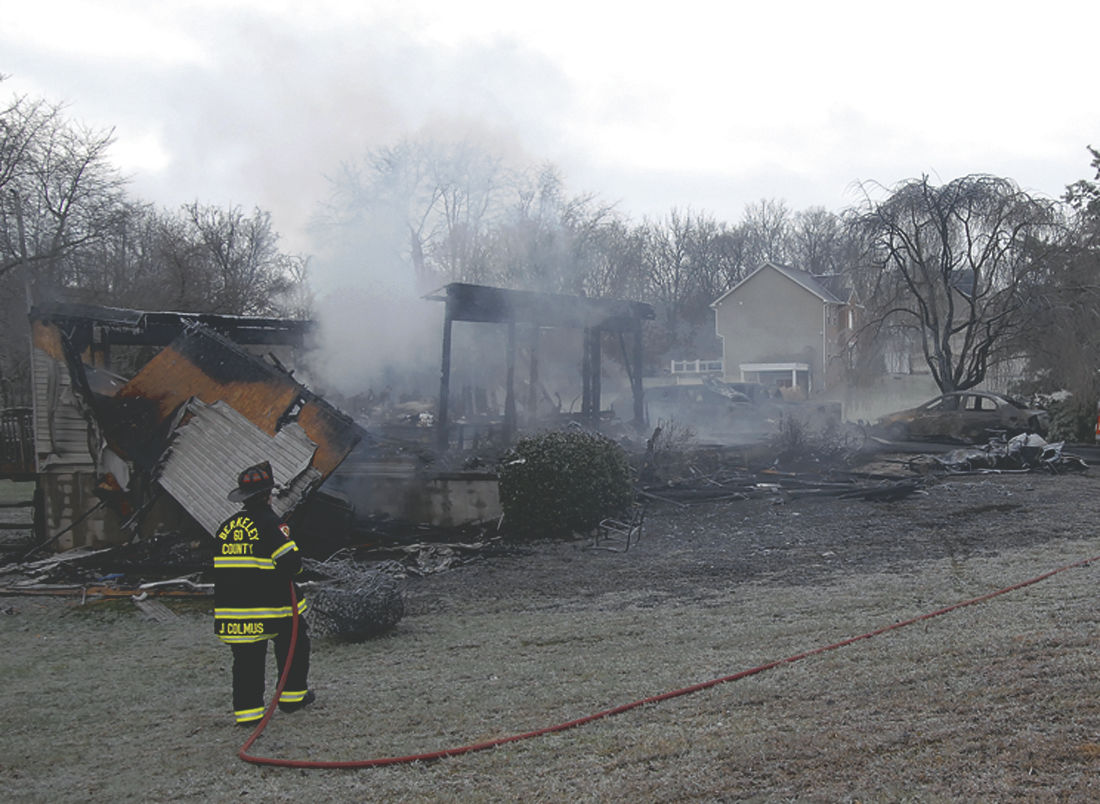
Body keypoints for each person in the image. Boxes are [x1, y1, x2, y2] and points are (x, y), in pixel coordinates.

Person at [213, 460, 314, 726]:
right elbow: (291, 564)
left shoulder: (226, 528)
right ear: (268, 495)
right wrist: (302, 574)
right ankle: (293, 697)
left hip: (233, 610)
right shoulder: (271, 524)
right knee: (294, 646)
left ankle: (248, 714)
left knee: (246, 662)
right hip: (272, 609)